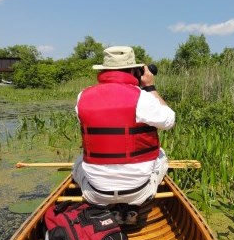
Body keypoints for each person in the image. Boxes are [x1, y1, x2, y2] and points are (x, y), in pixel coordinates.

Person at [72, 46, 175, 210]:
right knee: (161, 154)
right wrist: (150, 87)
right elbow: (170, 121)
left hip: (97, 193)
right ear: (135, 71)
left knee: (78, 161)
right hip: (138, 192)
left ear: (104, 70)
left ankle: (104, 206)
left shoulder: (82, 96)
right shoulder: (143, 98)